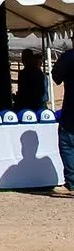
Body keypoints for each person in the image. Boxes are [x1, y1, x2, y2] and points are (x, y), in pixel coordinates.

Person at [51, 43, 74, 199]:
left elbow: (56, 76)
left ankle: (72, 183)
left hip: (72, 110)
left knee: (67, 143)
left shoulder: (69, 57)